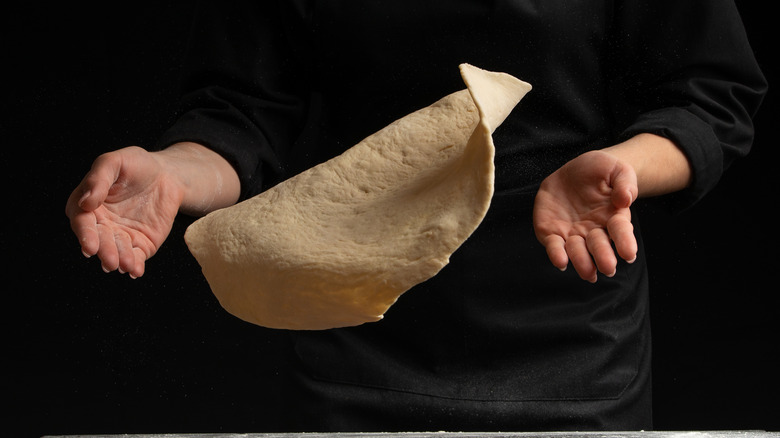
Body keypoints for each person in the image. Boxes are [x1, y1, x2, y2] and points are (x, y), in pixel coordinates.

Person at [65, 0, 766, 432]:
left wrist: (626, 166)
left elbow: (710, 96)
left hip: (570, 339)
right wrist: (172, 170)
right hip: (356, 344)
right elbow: (240, 115)